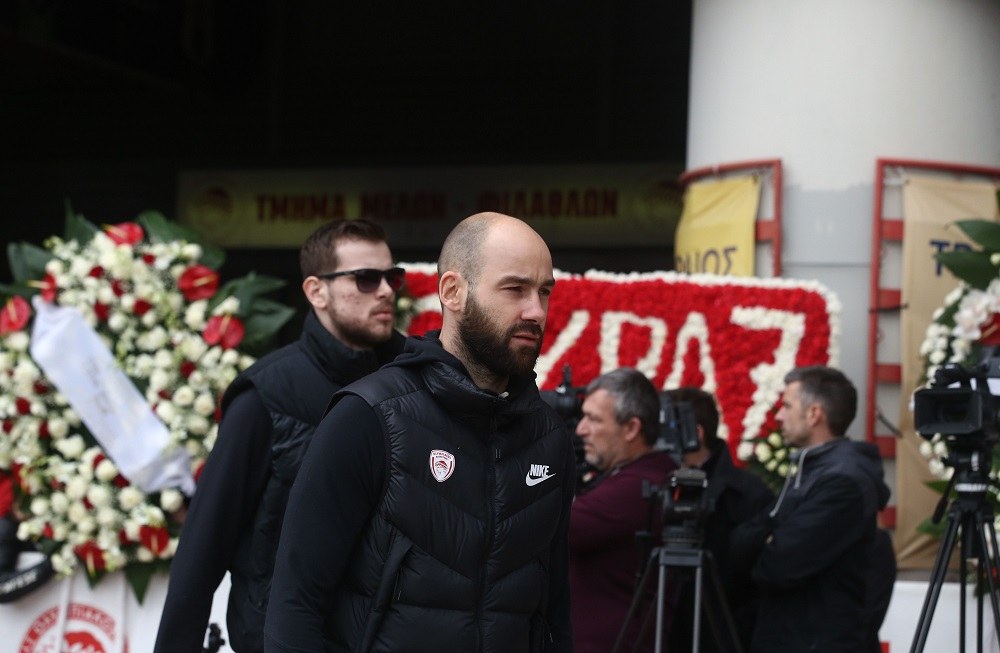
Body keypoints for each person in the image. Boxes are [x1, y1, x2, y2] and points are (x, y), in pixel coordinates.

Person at [263, 212, 576, 652]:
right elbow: (294, 606)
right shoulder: (369, 415)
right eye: (515, 289)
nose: (535, 311)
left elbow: (554, 613)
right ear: (452, 291)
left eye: (544, 291)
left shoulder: (550, 438)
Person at [154, 218, 406, 653]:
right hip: (283, 639)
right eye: (366, 278)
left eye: (392, 277)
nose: (385, 290)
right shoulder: (264, 395)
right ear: (316, 291)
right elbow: (205, 544)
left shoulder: (411, 380)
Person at [731, 365, 892, 653]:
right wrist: (767, 538)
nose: (779, 416)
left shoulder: (843, 482)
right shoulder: (812, 471)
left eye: (787, 406)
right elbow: (739, 544)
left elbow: (777, 565)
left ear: (814, 414)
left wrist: (768, 539)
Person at [568, 368, 678, 653]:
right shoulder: (640, 476)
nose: (580, 430)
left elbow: (553, 526)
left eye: (593, 419)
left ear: (631, 428)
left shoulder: (639, 486)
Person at [664, 387, 774, 653]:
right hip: (667, 629)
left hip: (722, 633)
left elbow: (760, 580)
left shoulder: (746, 493)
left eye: (666, 429)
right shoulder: (659, 486)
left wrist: (735, 632)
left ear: (696, 434)